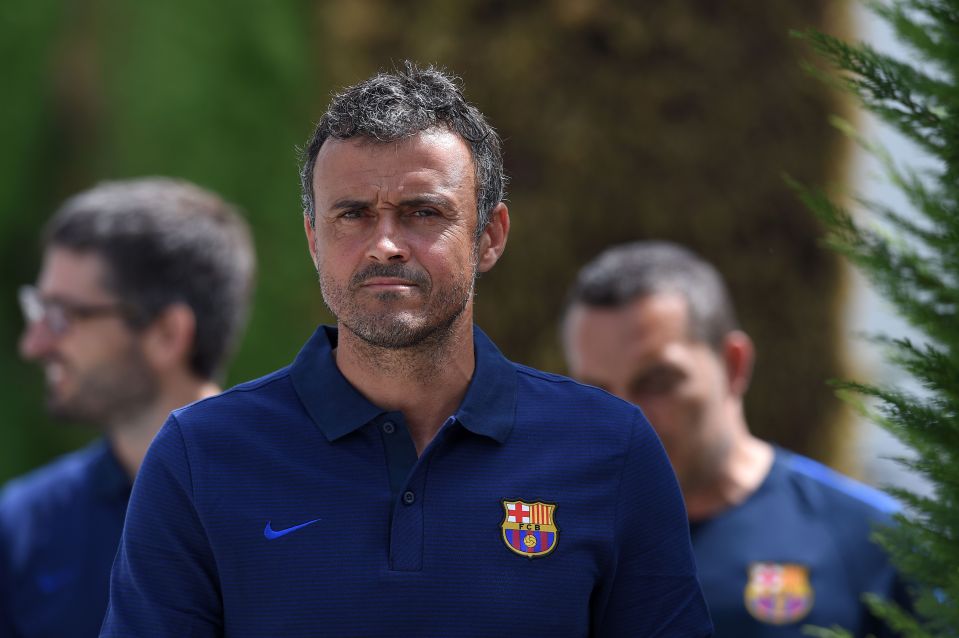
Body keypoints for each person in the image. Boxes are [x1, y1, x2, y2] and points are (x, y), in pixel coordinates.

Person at [100, 64, 713, 637]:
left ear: (490, 235)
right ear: (314, 238)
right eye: (353, 215)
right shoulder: (200, 454)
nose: (385, 244)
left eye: (422, 212)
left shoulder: (611, 447)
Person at [562, 240, 909, 637]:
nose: (623, 418)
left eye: (656, 382)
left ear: (733, 365)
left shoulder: (874, 541)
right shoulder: (542, 539)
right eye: (595, 391)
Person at [0, 177, 256, 638]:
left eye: (61, 316)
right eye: (36, 310)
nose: (33, 344)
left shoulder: (301, 503)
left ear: (166, 334)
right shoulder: (23, 528)